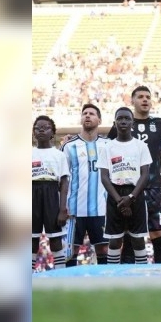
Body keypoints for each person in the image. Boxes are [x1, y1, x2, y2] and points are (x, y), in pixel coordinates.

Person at [108, 86, 161, 264]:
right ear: (132, 101)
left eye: (148, 97)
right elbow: (107, 149)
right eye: (141, 96)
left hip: (153, 189)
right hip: (128, 190)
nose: (145, 100)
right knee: (130, 236)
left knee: (159, 234)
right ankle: (128, 277)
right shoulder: (122, 123)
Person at [98, 107, 152, 264]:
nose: (123, 121)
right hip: (115, 195)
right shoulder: (108, 147)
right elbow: (104, 177)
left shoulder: (141, 146)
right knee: (114, 240)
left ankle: (141, 274)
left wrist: (131, 197)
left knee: (138, 240)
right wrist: (120, 201)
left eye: (127, 118)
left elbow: (145, 175)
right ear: (114, 122)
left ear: (132, 123)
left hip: (135, 193)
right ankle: (112, 275)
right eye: (120, 118)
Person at [62, 103, 109, 266]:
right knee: (70, 251)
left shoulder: (107, 145)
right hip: (74, 210)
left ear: (100, 120)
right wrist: (63, 206)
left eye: (92, 113)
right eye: (85, 113)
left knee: (104, 249)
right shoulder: (69, 146)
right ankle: (68, 282)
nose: (87, 115)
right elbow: (63, 178)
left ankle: (105, 281)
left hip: (101, 208)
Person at [32, 115, 69, 271]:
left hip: (51, 193)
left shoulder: (59, 155)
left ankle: (60, 275)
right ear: (33, 132)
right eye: (37, 128)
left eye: (45, 128)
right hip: (31, 193)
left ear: (52, 133)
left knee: (55, 240)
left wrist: (62, 209)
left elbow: (64, 182)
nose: (41, 130)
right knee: (31, 241)